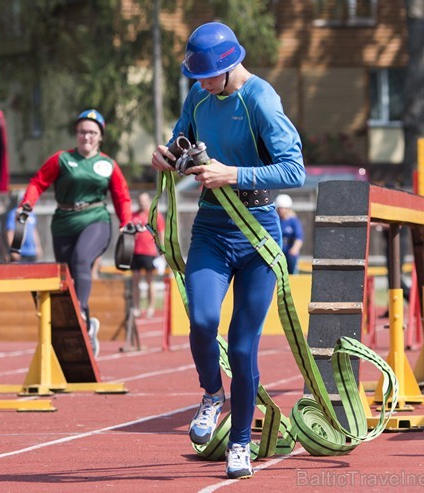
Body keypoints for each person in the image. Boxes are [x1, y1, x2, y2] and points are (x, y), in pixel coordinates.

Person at [150, 22, 305, 479]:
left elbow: (294, 171)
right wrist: (168, 158)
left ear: (229, 66)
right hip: (213, 226)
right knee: (200, 318)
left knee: (242, 347)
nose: (198, 84)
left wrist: (232, 173)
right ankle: (210, 394)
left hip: (258, 232)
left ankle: (241, 443)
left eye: (205, 75)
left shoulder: (261, 99)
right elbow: (182, 144)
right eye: (194, 76)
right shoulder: (199, 96)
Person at [18, 109, 132, 357]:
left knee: (82, 259)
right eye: (82, 132)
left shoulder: (108, 164)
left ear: (100, 136)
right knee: (67, 275)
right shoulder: (61, 159)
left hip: (95, 219)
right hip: (63, 222)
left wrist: (126, 222)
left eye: (92, 132)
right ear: (76, 134)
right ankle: (87, 327)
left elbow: (121, 196)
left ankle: (79, 311)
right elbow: (38, 182)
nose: (87, 136)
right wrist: (27, 204)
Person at [130, 192, 165, 318]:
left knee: (150, 281)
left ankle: (151, 307)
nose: (142, 203)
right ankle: (136, 307)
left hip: (149, 252)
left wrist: (162, 251)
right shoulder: (133, 215)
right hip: (135, 252)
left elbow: (161, 233)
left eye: (144, 200)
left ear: (149, 201)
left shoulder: (155, 215)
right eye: (140, 200)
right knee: (135, 281)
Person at [274, 194, 304, 275]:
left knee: (292, 261)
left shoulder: (294, 221)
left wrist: (295, 249)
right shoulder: (275, 221)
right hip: (277, 250)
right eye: (280, 208)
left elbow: (299, 237)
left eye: (285, 208)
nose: (282, 210)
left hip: (289, 250)